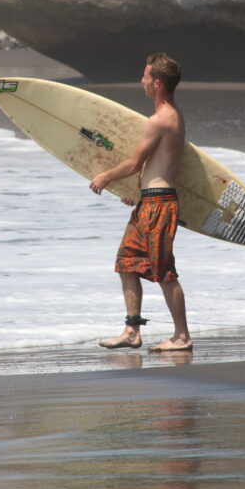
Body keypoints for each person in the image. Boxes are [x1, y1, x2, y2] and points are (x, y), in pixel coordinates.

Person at [89, 52, 192, 352]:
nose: (142, 81)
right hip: (149, 202)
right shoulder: (171, 116)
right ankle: (132, 330)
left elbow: (135, 163)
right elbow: (152, 167)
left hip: (159, 205)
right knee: (127, 264)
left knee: (163, 272)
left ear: (157, 83)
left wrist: (105, 177)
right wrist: (138, 194)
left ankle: (182, 336)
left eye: (146, 76)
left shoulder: (160, 120)